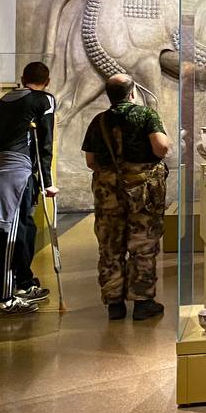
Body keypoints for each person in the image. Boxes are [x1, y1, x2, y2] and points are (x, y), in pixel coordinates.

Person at [81, 73, 171, 321]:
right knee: (143, 243)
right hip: (141, 194)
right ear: (132, 93)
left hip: (108, 194)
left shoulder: (99, 121)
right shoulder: (146, 115)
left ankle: (115, 304)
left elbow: (90, 161)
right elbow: (161, 147)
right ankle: (142, 302)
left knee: (110, 245)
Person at [0, 61, 57, 317]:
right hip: (17, 171)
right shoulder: (44, 100)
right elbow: (45, 141)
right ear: (48, 81)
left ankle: (24, 282)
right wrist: (47, 181)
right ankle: (6, 298)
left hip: (0, 167)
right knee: (9, 232)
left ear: (22, 78)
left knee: (24, 228)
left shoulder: (3, 102)